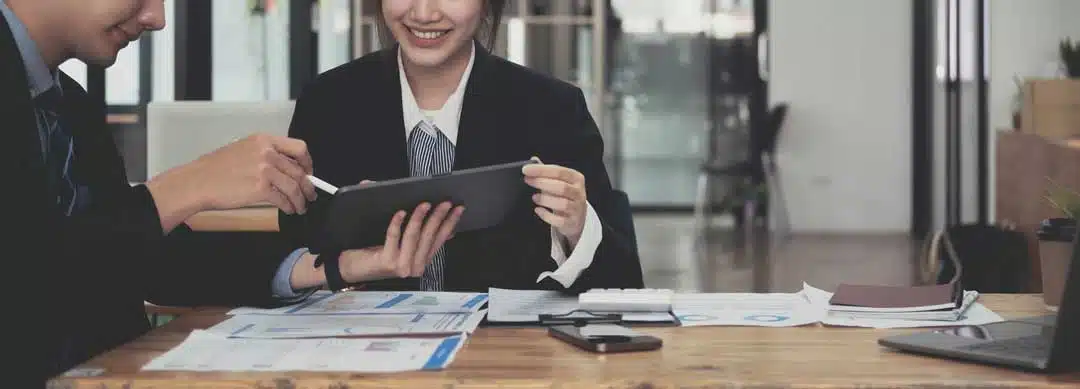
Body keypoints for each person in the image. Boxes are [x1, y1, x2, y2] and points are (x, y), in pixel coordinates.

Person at [0, 0, 461, 386]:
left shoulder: (67, 105)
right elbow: (24, 282)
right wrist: (184, 187)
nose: (158, 17)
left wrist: (343, 265)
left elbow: (132, 261)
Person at [278, 0, 644, 294]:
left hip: (506, 364)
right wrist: (348, 265)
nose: (423, 13)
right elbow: (281, 265)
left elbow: (625, 284)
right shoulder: (327, 103)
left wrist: (579, 228)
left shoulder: (553, 108)